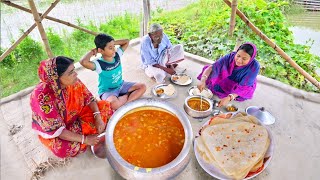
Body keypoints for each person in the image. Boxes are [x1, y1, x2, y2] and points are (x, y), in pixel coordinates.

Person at [30, 56, 113, 158]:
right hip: (59, 131)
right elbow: (57, 131)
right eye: (70, 73)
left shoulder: (73, 81)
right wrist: (85, 139)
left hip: (76, 117)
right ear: (56, 78)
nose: (76, 74)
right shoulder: (43, 99)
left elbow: (88, 97)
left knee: (105, 107)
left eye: (74, 70)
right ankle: (86, 138)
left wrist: (97, 117)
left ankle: (89, 134)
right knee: (62, 148)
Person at [80, 33, 146, 110]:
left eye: (114, 46)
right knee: (113, 105)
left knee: (142, 87)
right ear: (101, 50)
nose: (114, 49)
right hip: (107, 91)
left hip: (121, 85)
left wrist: (112, 42)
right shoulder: (98, 64)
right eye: (110, 48)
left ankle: (127, 104)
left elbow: (126, 41)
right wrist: (92, 51)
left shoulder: (117, 55)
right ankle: (127, 96)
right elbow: (83, 62)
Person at [197, 42, 260, 107]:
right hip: (225, 78)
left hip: (241, 84)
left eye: (244, 59)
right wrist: (202, 80)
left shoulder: (254, 67)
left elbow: (245, 87)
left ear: (251, 59)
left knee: (244, 91)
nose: (239, 60)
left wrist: (230, 97)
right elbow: (212, 68)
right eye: (238, 56)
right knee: (209, 72)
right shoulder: (229, 57)